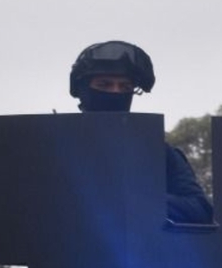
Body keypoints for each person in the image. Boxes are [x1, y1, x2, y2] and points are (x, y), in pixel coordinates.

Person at [69, 40, 214, 225]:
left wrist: (139, 200)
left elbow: (200, 209)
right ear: (83, 89)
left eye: (125, 87)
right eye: (104, 84)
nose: (115, 92)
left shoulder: (158, 152)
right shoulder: (56, 144)